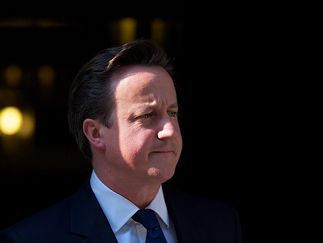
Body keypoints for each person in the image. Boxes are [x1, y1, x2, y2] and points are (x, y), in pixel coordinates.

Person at [0, 39, 242, 243]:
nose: (169, 130)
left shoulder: (221, 225)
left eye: (173, 113)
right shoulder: (31, 238)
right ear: (95, 133)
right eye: (146, 116)